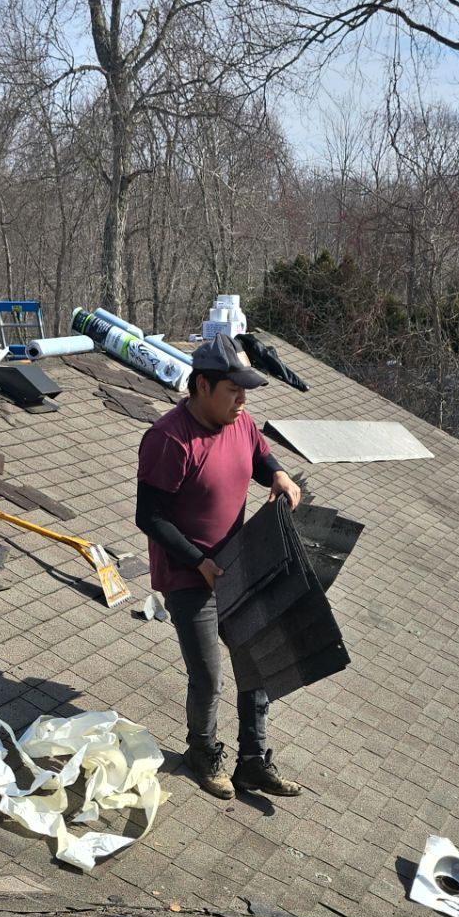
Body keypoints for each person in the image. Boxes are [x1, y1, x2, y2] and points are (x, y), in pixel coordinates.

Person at [135, 333, 304, 799]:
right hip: (190, 574)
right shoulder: (169, 440)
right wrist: (199, 563)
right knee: (208, 675)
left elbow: (259, 456)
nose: (242, 400)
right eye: (234, 391)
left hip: (238, 564)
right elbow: (148, 517)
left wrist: (280, 475)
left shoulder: (240, 420)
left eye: (245, 392)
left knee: (258, 662)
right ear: (203, 386)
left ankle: (252, 762)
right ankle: (202, 751)